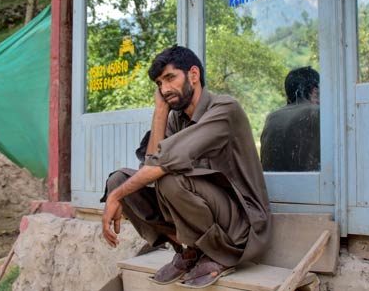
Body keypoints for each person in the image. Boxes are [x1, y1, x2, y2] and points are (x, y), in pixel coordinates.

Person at [101, 46, 272, 288]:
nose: (165, 89)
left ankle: (219, 252)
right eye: (159, 84)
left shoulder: (225, 109)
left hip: (241, 224)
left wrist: (115, 197)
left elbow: (161, 166)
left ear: (193, 74)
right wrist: (160, 112)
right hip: (204, 212)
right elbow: (150, 165)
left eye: (170, 78)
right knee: (119, 180)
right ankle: (189, 250)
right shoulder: (176, 118)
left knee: (168, 178)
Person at [260, 66, 320, 172]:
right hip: (309, 182)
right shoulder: (317, 113)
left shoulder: (272, 118)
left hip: (271, 182)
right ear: (314, 92)